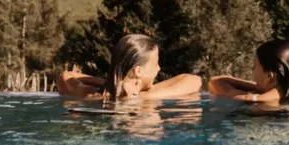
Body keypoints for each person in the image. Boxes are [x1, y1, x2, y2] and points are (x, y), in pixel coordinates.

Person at [57, 34, 202, 101]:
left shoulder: (92, 95)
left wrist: (110, 84)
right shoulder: (149, 98)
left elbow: (66, 77)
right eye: (156, 63)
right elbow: (194, 81)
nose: (158, 68)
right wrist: (142, 97)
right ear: (138, 71)